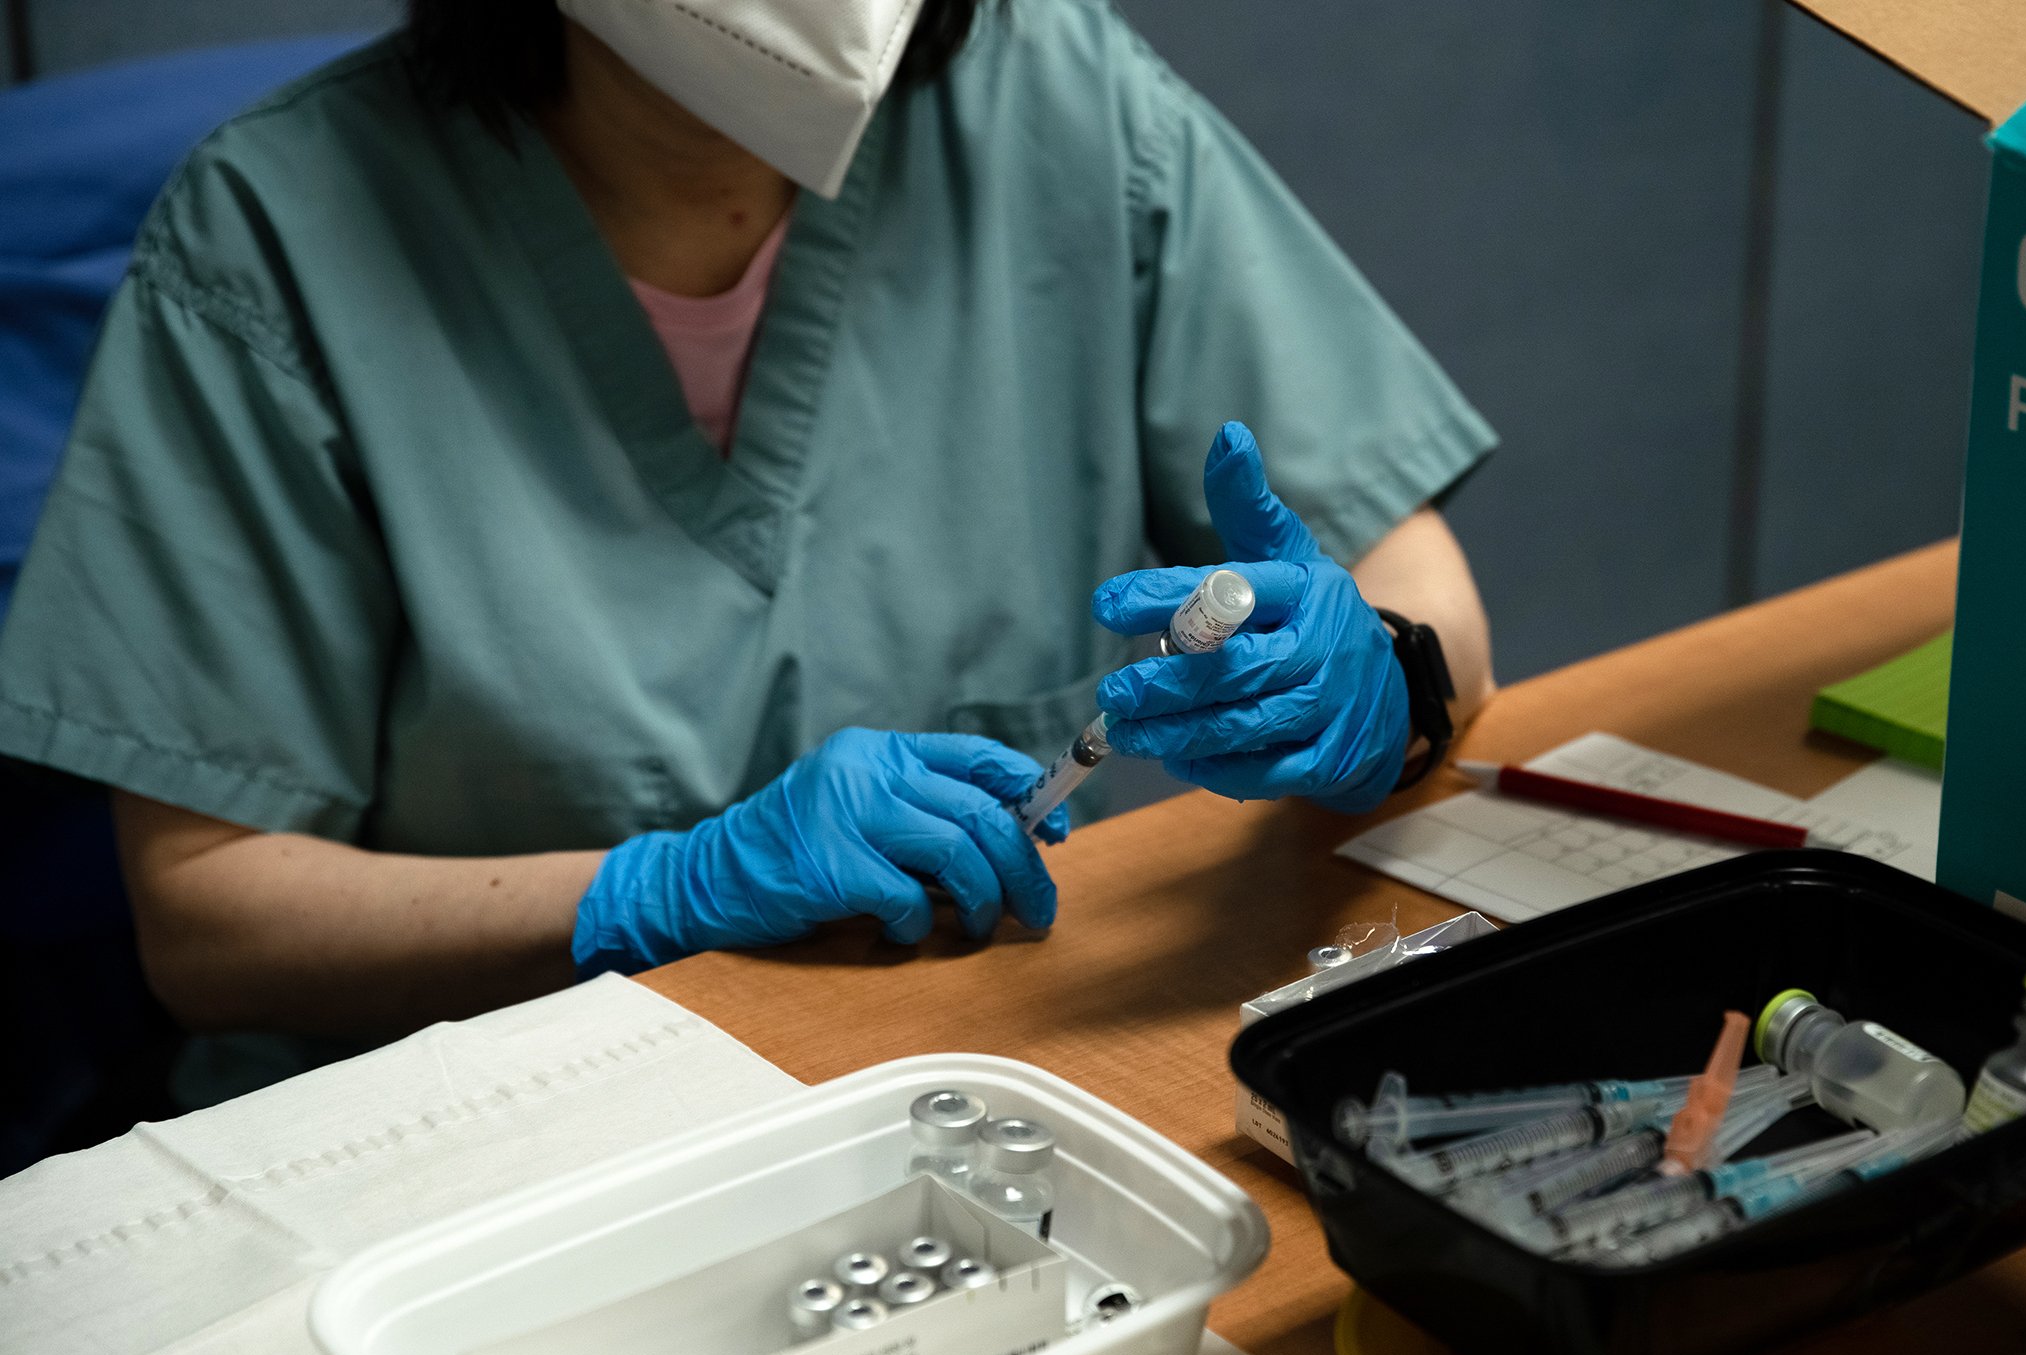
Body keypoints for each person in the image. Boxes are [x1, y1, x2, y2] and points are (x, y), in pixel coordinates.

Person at [0, 0, 1498, 1064]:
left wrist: (1378, 670)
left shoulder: (1065, 100)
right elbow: (209, 919)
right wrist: (651, 893)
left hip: (1008, 1069)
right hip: (505, 1149)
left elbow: (1418, 583)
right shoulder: (277, 236)